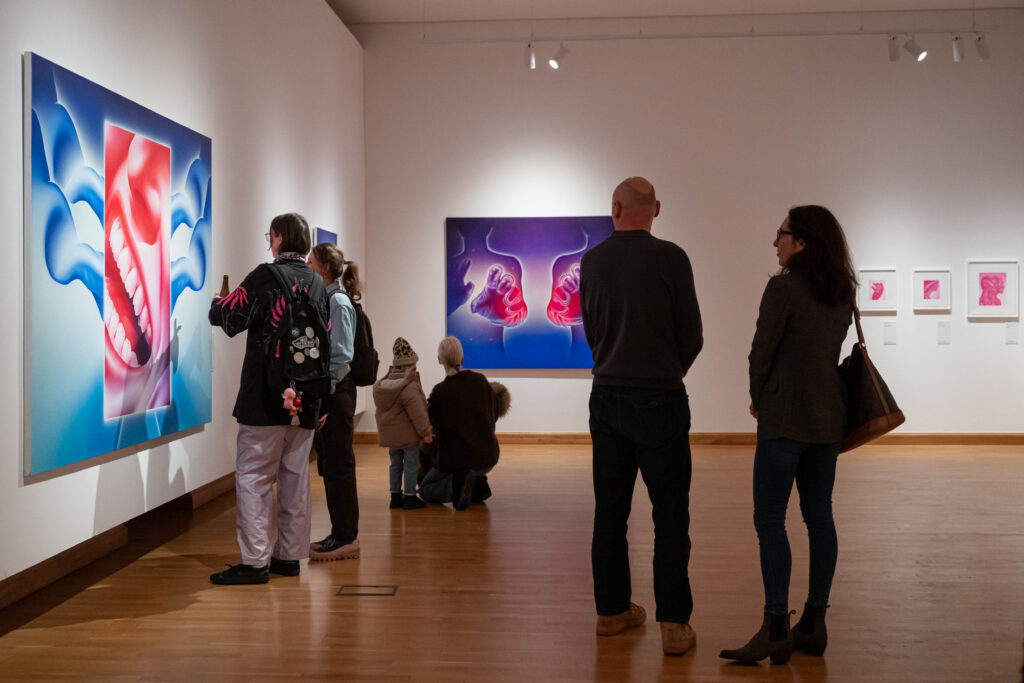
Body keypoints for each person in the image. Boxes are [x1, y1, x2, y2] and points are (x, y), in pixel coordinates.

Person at [719, 205, 855, 664]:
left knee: (770, 520)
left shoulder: (783, 288)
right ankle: (814, 623)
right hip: (827, 419)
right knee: (820, 517)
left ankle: (777, 626)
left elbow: (761, 351)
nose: (774, 242)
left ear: (802, 242)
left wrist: (758, 395)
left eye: (781, 233)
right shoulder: (842, 290)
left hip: (783, 419)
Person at [579, 177, 703, 656]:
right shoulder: (673, 258)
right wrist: (667, 369)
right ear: (657, 209)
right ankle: (673, 625)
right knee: (670, 515)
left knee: (610, 512)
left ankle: (611, 612)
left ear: (615, 208)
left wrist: (614, 363)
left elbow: (593, 330)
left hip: (607, 396)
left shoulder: (592, 261)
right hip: (661, 400)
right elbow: (691, 334)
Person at [208, 213, 328, 584]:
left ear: (277, 237)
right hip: (305, 398)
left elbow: (228, 318)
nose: (269, 241)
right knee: (294, 479)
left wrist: (217, 302)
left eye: (269, 235)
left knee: (253, 477)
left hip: (264, 396)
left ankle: (255, 561)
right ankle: (289, 557)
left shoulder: (265, 276)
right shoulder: (317, 282)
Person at [306, 242, 362, 561]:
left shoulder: (337, 301)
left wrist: (325, 395)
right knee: (331, 464)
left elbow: (341, 355)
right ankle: (339, 532)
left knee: (339, 465)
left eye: (311, 262)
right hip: (332, 392)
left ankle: (345, 537)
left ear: (325, 268)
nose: (307, 267)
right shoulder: (328, 298)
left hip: (337, 393)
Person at [420, 336, 509, 510]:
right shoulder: (481, 381)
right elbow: (492, 415)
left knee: (425, 490)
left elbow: (430, 425)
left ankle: (458, 486)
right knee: (471, 466)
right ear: (462, 358)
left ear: (439, 360)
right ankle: (477, 485)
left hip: (456, 460)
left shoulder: (440, 391)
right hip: (488, 457)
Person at [372, 337, 433, 510]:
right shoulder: (409, 386)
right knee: (411, 465)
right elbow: (418, 413)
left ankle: (395, 496)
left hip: (392, 437)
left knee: (395, 465)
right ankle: (410, 496)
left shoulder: (384, 385)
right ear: (410, 364)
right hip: (408, 437)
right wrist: (426, 432)